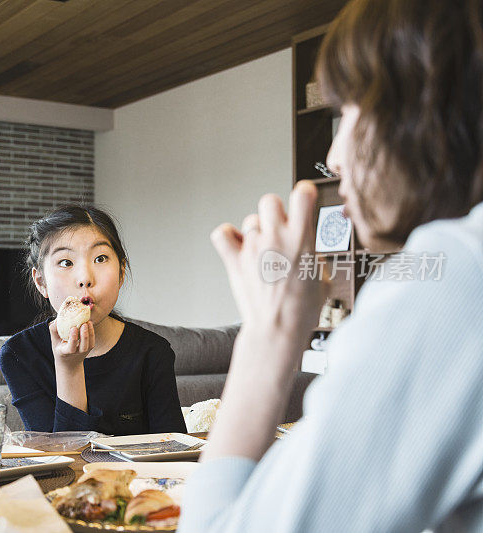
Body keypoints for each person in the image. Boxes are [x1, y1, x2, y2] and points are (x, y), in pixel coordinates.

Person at [178, 0, 483, 531]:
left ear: (424, 105)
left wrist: (270, 334)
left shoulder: (458, 274)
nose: (335, 158)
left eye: (347, 114)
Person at [0, 205, 187, 435]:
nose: (85, 278)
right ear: (41, 282)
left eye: (100, 258)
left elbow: (173, 450)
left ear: (121, 272)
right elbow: (59, 458)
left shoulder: (153, 352)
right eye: (66, 262)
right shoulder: (19, 354)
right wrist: (70, 368)